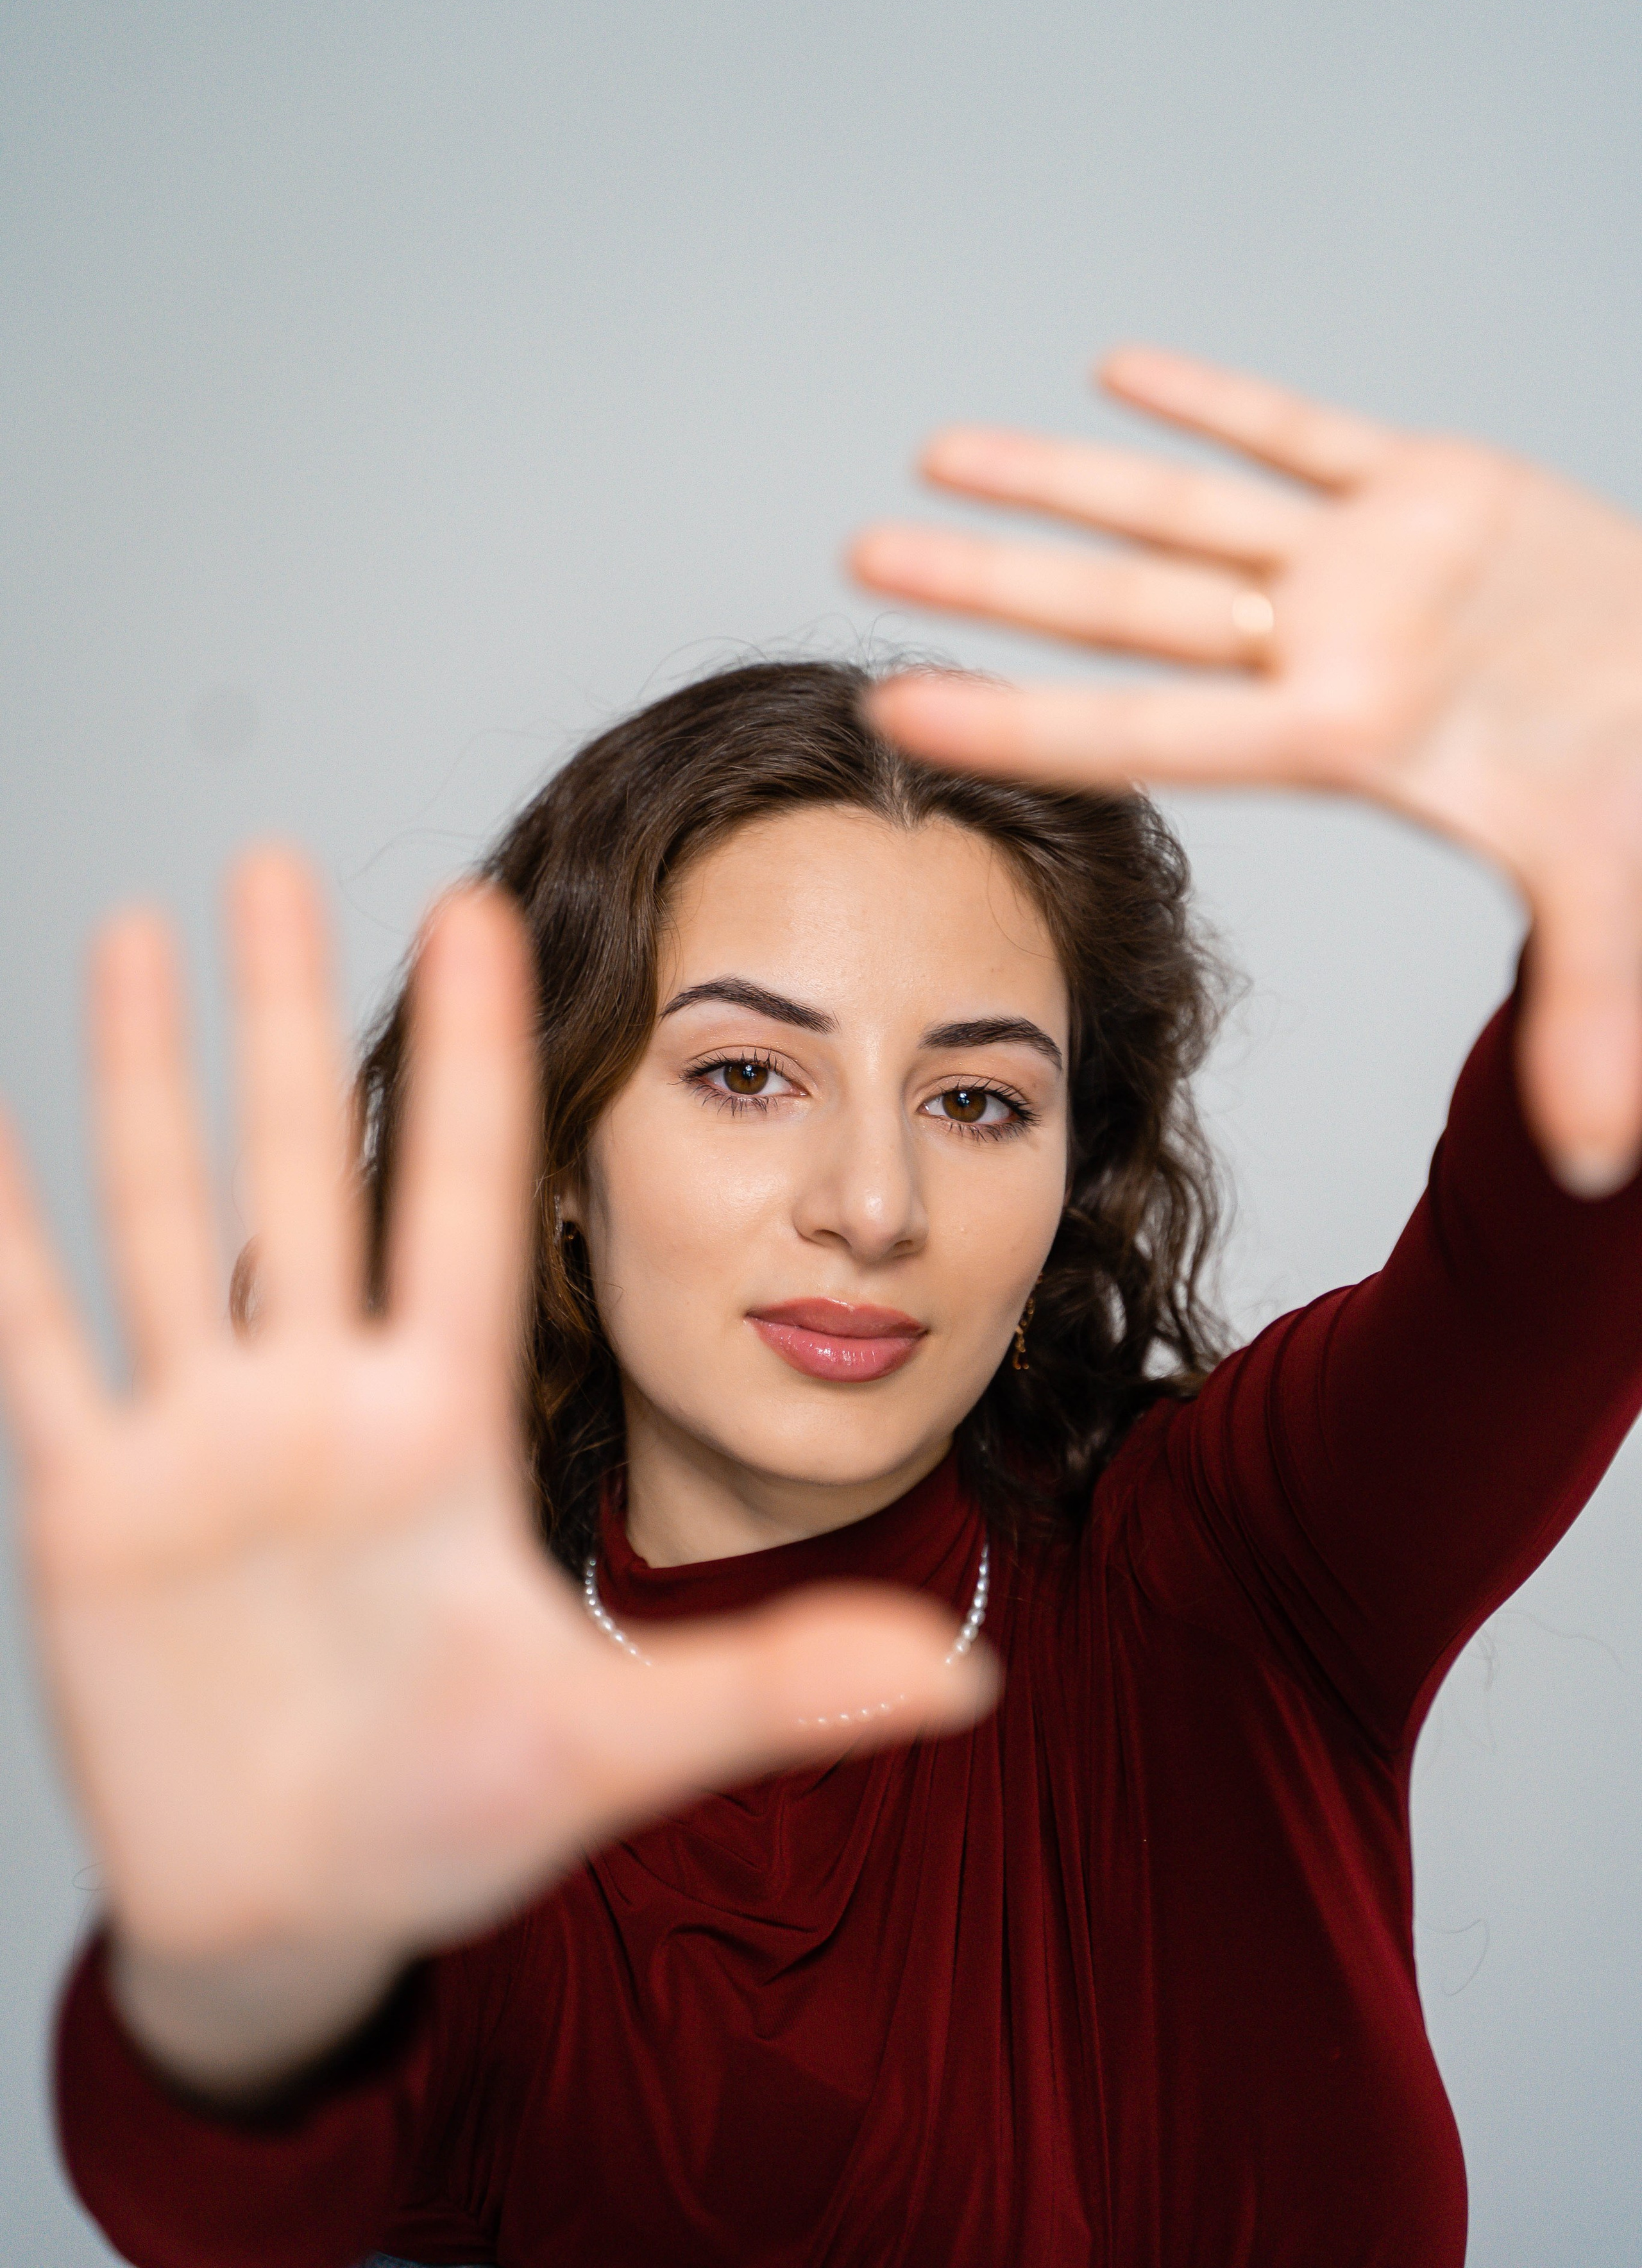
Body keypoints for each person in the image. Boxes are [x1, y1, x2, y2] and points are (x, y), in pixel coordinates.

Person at [6, 347, 1642, 2267]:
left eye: (975, 1101)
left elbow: (1556, 1260)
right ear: (551, 1155)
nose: (873, 1206)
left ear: (1069, 1172)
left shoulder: (1242, 1581)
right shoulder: (459, 1742)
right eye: (744, 1075)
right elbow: (218, 2198)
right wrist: (242, 1954)